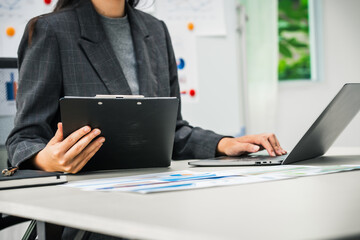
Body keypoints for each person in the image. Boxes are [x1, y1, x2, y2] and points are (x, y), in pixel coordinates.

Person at [6, 0, 286, 174]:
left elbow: (171, 132)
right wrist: (46, 160)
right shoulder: (50, 31)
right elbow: (23, 138)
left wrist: (225, 143)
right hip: (85, 203)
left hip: (155, 192)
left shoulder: (155, 30)